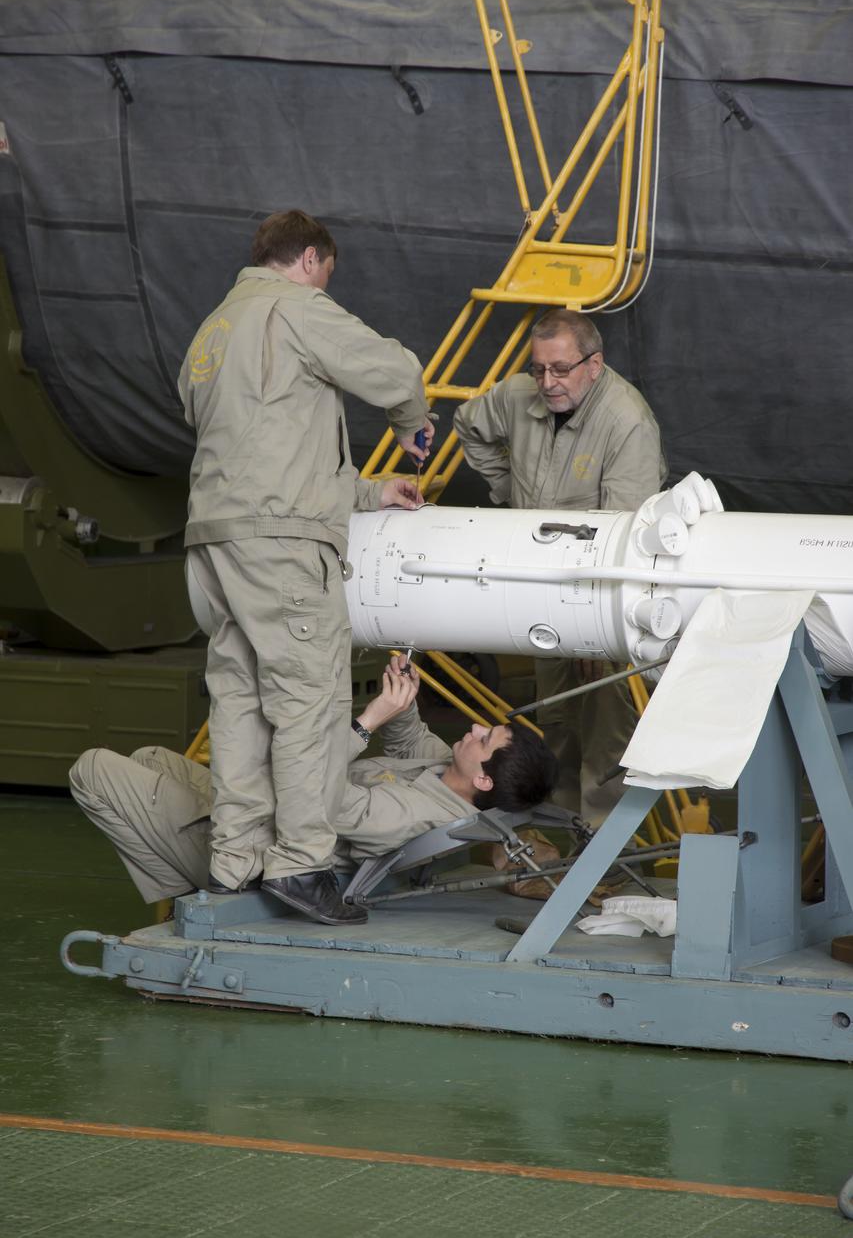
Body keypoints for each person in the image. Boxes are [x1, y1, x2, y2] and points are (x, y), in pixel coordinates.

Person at [177, 209, 434, 924]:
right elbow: (394, 370)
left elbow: (258, 446)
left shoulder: (214, 329)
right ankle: (301, 864)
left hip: (215, 542)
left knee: (239, 700)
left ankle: (234, 859)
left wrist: (366, 490)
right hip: (282, 549)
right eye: (327, 273)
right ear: (312, 259)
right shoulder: (294, 308)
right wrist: (410, 424)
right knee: (308, 702)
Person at [68, 658, 559, 923]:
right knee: (150, 759)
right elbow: (411, 740)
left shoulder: (413, 816)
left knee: (92, 770)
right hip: (265, 812)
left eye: (484, 738)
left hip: (258, 850)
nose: (474, 727)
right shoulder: (443, 773)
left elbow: (319, 800)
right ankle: (179, 861)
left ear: (484, 781)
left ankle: (195, 878)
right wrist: (403, 695)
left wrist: (367, 722)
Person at [454, 308, 665, 822]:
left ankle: (598, 860)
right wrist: (508, 491)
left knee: (606, 734)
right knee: (558, 721)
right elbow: (469, 424)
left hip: (598, 604)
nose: (547, 383)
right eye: (539, 369)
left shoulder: (627, 423)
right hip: (543, 592)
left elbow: (623, 540)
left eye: (561, 369)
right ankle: (558, 836)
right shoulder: (519, 395)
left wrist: (595, 628)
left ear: (594, 365)